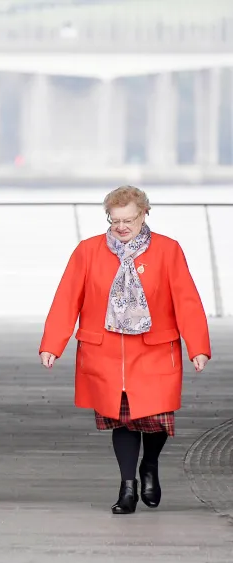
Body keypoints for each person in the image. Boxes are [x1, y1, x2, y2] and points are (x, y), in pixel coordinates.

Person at [39, 185, 211, 514]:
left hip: (155, 350)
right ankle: (127, 486)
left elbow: (187, 301)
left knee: (157, 421)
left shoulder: (167, 250)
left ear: (145, 214)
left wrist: (198, 347)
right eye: (114, 220)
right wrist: (52, 344)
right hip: (106, 353)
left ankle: (150, 465)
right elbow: (66, 299)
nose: (121, 227)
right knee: (123, 422)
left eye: (128, 220)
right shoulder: (88, 251)